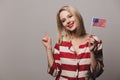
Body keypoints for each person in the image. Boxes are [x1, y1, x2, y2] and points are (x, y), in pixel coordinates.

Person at [42, 5, 104, 80]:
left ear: (77, 16)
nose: (67, 21)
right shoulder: (60, 43)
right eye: (63, 20)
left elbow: (96, 73)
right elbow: (54, 72)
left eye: (70, 16)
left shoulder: (95, 41)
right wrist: (48, 49)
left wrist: (92, 52)